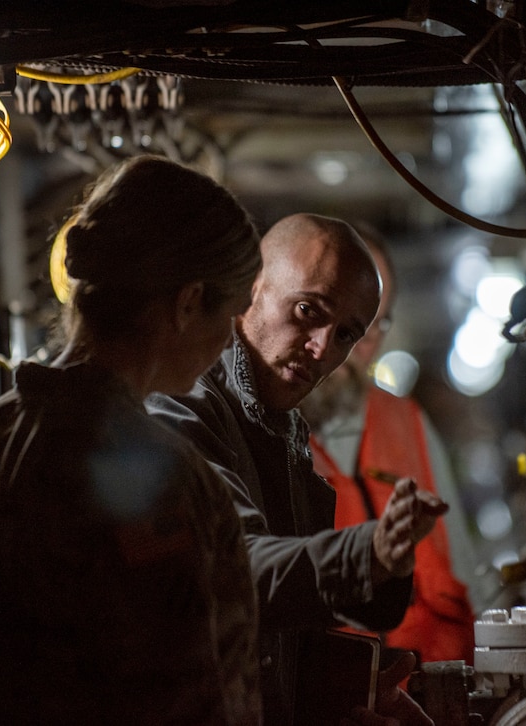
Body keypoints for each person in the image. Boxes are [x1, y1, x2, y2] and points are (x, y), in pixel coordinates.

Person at [0, 155, 263, 725]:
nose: (229, 339)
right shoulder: (166, 478)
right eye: (232, 313)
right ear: (187, 303)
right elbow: (196, 698)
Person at [146, 213, 447, 726]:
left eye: (346, 334)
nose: (322, 349)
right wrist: (369, 553)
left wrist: (340, 695)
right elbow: (235, 567)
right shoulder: (183, 402)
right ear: (251, 289)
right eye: (309, 310)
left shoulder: (278, 426)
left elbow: (284, 628)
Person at [301, 224, 477, 664]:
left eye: (370, 324)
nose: (350, 342)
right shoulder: (258, 436)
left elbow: (468, 575)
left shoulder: (409, 421)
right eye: (329, 312)